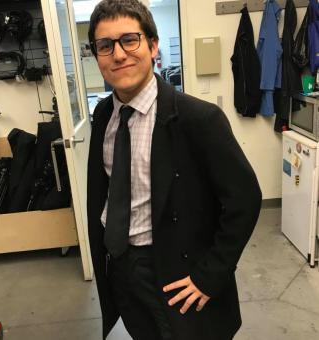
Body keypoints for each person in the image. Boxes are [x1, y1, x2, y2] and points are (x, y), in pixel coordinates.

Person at [86, 1, 262, 339]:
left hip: (173, 270)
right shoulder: (104, 115)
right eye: (105, 46)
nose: (118, 54)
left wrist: (210, 276)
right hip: (120, 265)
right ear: (97, 56)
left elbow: (245, 200)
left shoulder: (198, 119)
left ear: (153, 46)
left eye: (129, 40)